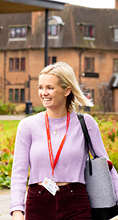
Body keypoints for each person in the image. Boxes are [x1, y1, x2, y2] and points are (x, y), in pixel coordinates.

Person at [10, 62, 118, 220]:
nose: (43, 93)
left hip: (75, 203)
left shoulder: (86, 123)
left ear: (67, 90)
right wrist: (17, 210)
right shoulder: (27, 126)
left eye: (50, 88)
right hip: (38, 203)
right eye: (40, 87)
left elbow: (106, 166)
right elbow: (19, 173)